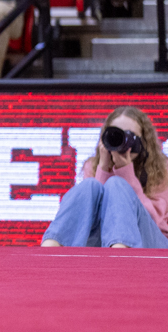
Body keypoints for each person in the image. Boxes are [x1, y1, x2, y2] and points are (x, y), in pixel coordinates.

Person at [41, 106, 167, 248]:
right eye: (117, 135)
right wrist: (103, 168)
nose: (123, 142)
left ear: (144, 142)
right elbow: (92, 218)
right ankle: (50, 246)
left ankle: (120, 254)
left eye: (130, 136)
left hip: (155, 244)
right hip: (102, 244)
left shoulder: (162, 169)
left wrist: (126, 173)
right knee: (90, 185)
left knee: (116, 184)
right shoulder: (93, 165)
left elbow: (155, 220)